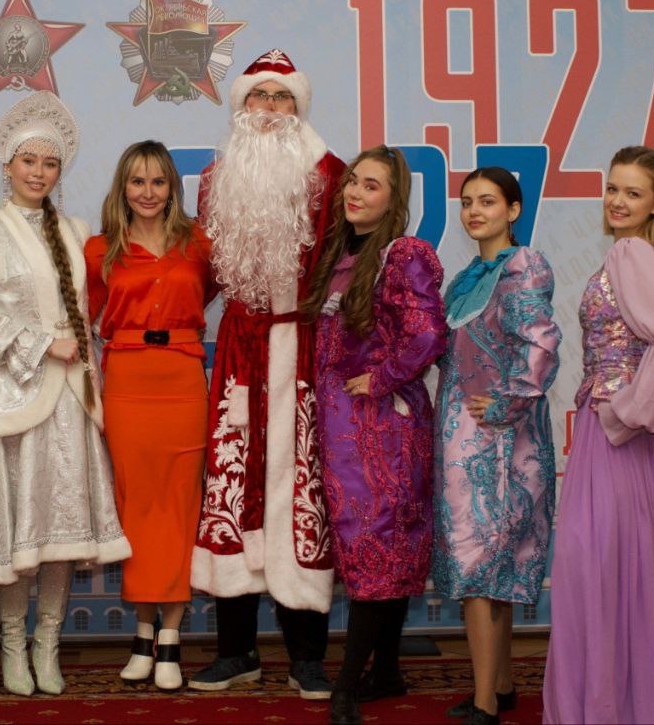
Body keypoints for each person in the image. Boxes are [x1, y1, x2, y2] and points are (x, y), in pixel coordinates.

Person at [0, 91, 131, 697]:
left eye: (49, 163)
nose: (38, 172)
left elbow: (92, 310)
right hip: (16, 399)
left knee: (62, 531)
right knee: (18, 531)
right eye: (28, 161)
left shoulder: (77, 232)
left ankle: (47, 642)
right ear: (7, 164)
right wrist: (41, 343)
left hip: (72, 402)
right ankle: (11, 643)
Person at [190, 49, 346, 700]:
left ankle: (307, 655)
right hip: (238, 352)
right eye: (260, 96)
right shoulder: (216, 177)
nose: (271, 109)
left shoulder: (331, 173)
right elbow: (198, 273)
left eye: (284, 98)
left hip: (303, 350)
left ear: (299, 108)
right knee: (233, 488)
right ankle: (236, 651)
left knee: (300, 490)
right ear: (241, 106)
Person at [543, 147, 654, 724]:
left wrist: (625, 410)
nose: (617, 201)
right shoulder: (630, 253)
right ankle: (635, 704)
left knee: (604, 568)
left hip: (624, 433)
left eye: (633, 193)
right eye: (613, 188)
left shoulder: (630, 251)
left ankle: (617, 707)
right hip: (622, 430)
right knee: (627, 571)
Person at [303, 146, 447, 725]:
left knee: (376, 547)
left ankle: (345, 687)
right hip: (344, 432)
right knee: (378, 549)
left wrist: (382, 378)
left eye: (372, 186)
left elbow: (428, 335)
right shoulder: (341, 253)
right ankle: (385, 670)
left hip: (384, 430)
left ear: (394, 199)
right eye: (353, 183)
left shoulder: (402, 254)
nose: (356, 193)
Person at [84, 141, 216, 691]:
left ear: (172, 188)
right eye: (137, 181)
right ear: (123, 187)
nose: (147, 192)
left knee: (180, 506)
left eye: (158, 182)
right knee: (136, 508)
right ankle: (143, 633)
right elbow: (88, 317)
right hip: (128, 382)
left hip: (183, 378)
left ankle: (171, 639)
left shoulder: (200, 244)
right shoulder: (98, 250)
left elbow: (210, 293)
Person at [432, 167, 561, 725]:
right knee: (488, 565)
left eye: (487, 201)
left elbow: (542, 343)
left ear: (513, 210)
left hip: (499, 440)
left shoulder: (523, 266)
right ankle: (500, 684)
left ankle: (485, 703)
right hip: (462, 435)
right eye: (467, 202)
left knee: (481, 564)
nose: (474, 212)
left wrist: (508, 402)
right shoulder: (467, 277)